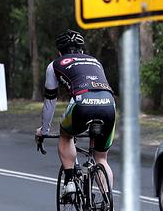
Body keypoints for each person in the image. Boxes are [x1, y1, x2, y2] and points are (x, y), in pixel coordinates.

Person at [35, 29, 116, 194]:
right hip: (109, 104)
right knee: (101, 158)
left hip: (82, 103)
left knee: (66, 135)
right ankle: (107, 205)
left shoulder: (55, 65)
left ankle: (70, 182)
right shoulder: (95, 61)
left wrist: (44, 130)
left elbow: (50, 100)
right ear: (82, 50)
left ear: (59, 51)